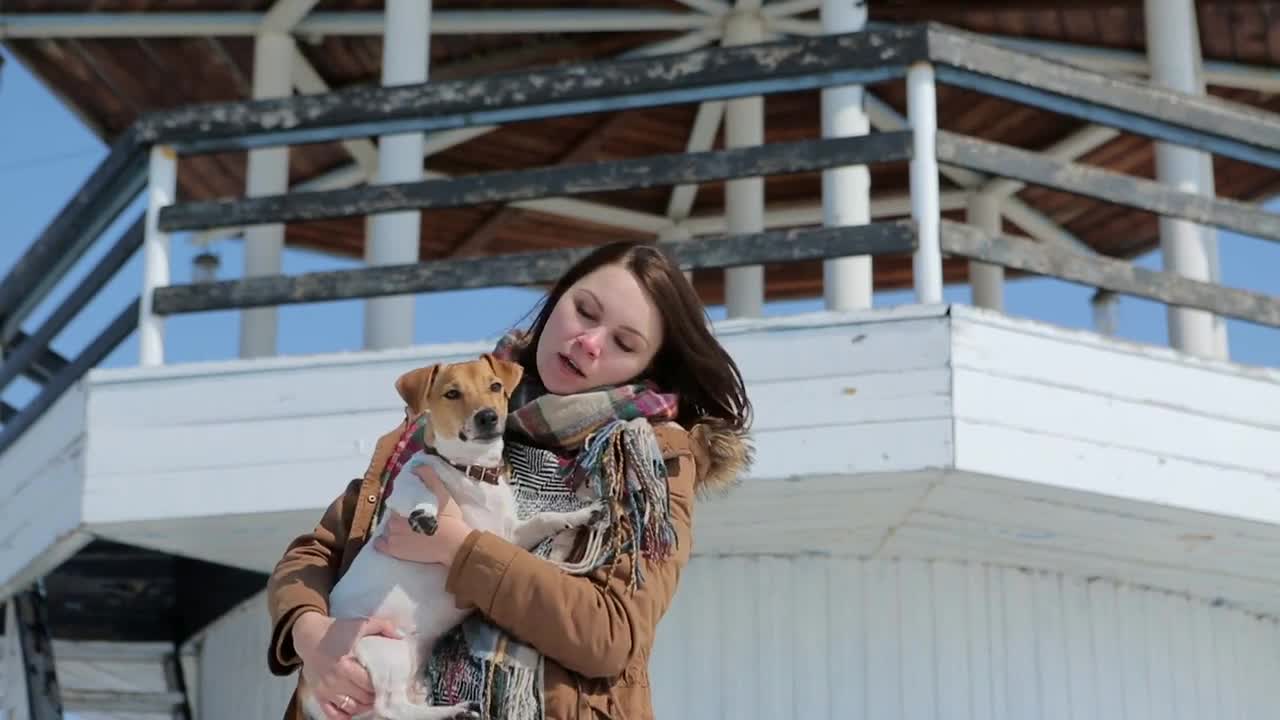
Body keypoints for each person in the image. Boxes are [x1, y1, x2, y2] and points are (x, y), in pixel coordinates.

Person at [266, 241, 753, 720]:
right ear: (557, 298)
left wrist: (461, 551)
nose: (589, 342)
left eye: (624, 343)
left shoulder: (651, 460)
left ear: (648, 366)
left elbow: (611, 638)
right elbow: (317, 552)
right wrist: (311, 633)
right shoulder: (444, 416)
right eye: (584, 311)